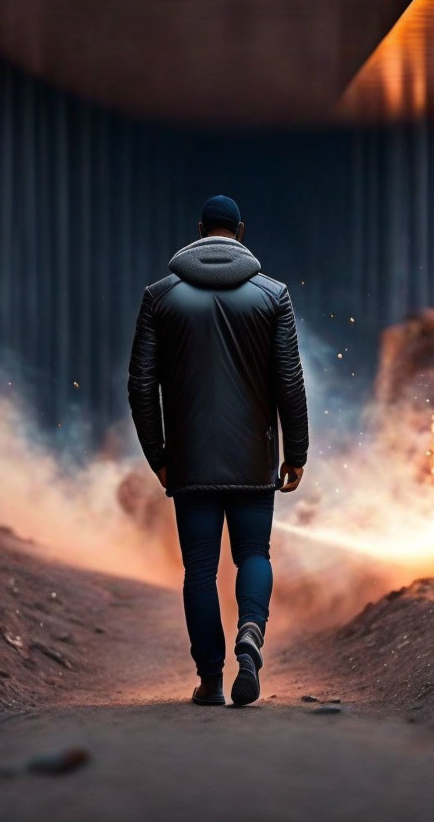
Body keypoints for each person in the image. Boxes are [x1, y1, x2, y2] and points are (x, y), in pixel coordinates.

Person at [127, 195, 309, 707]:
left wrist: (158, 454)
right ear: (240, 232)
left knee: (200, 569)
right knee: (254, 553)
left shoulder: (159, 297)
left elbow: (141, 384)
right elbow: (289, 382)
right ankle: (251, 632)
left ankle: (210, 678)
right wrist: (295, 451)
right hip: (253, 458)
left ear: (199, 229)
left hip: (188, 461)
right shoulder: (273, 296)